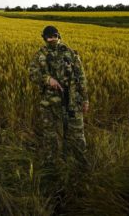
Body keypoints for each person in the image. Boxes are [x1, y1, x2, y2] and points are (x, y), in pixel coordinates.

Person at [30, 25, 89, 167]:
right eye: (49, 37)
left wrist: (85, 99)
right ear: (44, 38)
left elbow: (81, 77)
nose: (52, 39)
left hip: (72, 101)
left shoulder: (70, 53)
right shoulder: (40, 55)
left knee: (76, 134)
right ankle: (52, 166)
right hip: (49, 103)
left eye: (54, 36)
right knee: (50, 136)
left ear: (59, 36)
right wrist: (47, 79)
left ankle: (80, 165)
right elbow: (32, 74)